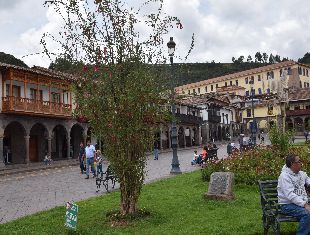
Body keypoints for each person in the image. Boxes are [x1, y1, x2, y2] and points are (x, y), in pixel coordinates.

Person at [278, 154, 310, 234]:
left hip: (302, 201)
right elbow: (290, 195)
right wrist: (305, 205)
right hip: (287, 205)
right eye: (299, 162)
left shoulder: (301, 173)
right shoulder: (284, 177)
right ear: (292, 164)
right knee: (307, 214)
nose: (301, 163)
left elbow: (307, 180)